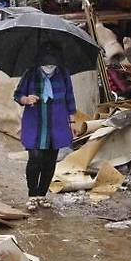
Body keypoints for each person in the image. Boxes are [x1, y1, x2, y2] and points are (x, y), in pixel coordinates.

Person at [14, 47, 77, 211]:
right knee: (35, 158)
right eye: (46, 64)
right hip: (34, 124)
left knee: (50, 161)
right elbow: (17, 94)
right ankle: (32, 195)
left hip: (57, 124)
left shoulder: (63, 74)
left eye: (52, 64)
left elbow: (69, 97)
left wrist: (73, 120)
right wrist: (26, 99)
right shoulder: (31, 74)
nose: (49, 67)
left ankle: (42, 195)